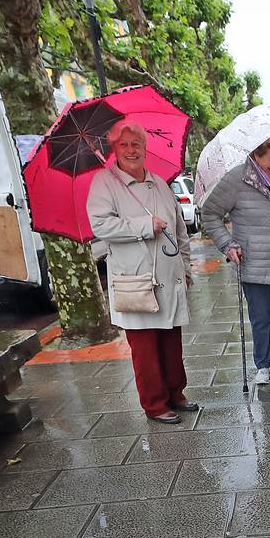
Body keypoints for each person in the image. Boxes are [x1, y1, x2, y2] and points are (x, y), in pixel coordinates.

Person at [87, 119, 196, 423]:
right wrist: (144, 226)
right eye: (124, 145)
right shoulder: (104, 183)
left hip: (168, 273)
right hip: (136, 278)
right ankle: (155, 403)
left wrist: (186, 266)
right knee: (146, 346)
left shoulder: (160, 183)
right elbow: (101, 225)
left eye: (136, 144)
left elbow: (178, 229)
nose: (131, 150)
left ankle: (176, 392)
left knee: (172, 341)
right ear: (114, 149)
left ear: (146, 148)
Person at [202, 131, 270, 384]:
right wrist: (227, 244)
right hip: (250, 261)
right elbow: (210, 214)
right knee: (260, 317)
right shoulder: (237, 179)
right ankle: (262, 366)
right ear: (256, 156)